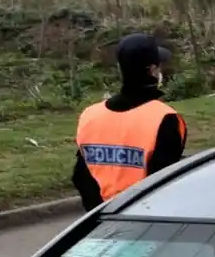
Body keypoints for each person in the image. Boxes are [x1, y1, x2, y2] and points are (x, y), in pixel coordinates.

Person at [72, 33, 187, 211]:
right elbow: (165, 183)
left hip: (100, 220)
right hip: (145, 218)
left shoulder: (90, 115)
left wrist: (100, 213)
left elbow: (81, 176)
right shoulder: (164, 118)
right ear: (153, 71)